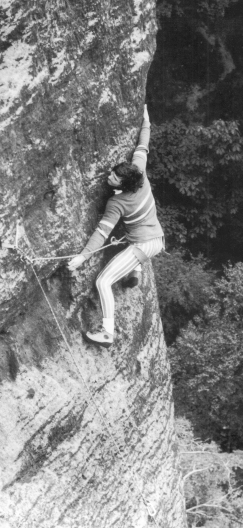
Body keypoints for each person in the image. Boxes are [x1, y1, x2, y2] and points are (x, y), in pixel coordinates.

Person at [68, 105, 164, 348]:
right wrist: (146, 120)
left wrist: (82, 257)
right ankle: (136, 272)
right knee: (132, 237)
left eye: (113, 178)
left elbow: (102, 233)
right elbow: (143, 146)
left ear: (123, 184)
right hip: (156, 238)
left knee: (103, 281)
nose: (108, 177)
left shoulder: (117, 203)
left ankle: (108, 333)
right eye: (112, 174)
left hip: (144, 244)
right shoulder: (139, 173)